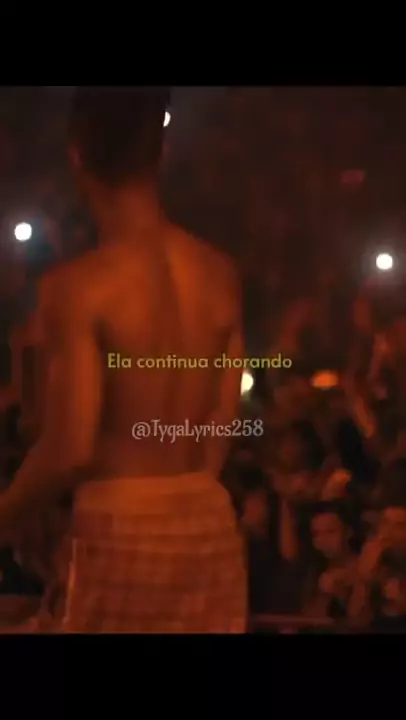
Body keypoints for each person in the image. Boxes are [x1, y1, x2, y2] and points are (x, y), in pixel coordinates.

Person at [0, 87, 246, 633]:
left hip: (120, 524)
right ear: (161, 150)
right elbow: (219, 427)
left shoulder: (79, 288)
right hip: (207, 521)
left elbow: (70, 447)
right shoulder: (219, 274)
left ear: (77, 154)